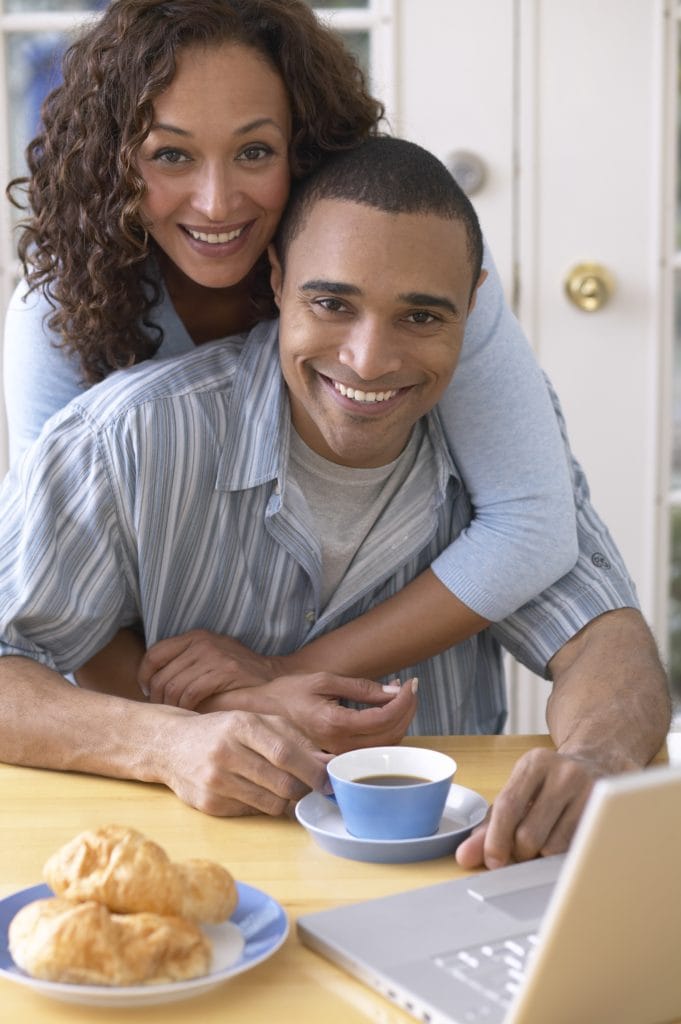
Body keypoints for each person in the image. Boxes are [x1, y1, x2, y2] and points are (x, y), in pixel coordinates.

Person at [0, 138, 670, 873]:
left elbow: (607, 641)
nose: (368, 359)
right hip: (179, 881)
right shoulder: (123, 438)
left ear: (473, 307)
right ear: (278, 281)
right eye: (331, 303)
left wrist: (597, 758)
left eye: (420, 318)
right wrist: (165, 740)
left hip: (441, 886)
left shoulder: (500, 454)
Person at [3, 0, 578, 676]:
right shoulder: (60, 312)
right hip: (157, 715)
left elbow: (532, 526)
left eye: (254, 151)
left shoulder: (412, 275)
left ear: (303, 146)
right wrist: (225, 721)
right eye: (171, 155)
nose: (216, 202)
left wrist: (290, 676)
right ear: (114, 163)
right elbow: (57, 577)